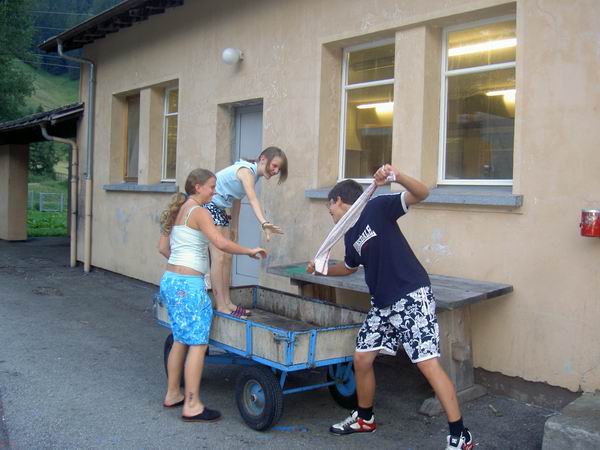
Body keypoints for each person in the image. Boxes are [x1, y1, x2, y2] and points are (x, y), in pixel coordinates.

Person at [307, 164, 474, 450]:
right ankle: (365, 418)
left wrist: (397, 176)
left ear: (338, 200)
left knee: (427, 363)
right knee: (361, 358)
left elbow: (421, 193)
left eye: (329, 207)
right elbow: (348, 267)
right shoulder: (349, 235)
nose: (330, 213)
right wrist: (321, 270)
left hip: (411, 296)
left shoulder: (377, 208)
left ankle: (461, 436)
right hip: (382, 304)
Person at [158, 168, 267, 422]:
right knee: (198, 344)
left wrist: (183, 265)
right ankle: (192, 405)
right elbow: (221, 243)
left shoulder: (177, 208)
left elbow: (162, 248)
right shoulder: (199, 212)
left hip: (170, 281)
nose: (215, 191)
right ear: (197, 187)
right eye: (211, 186)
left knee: (180, 340)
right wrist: (249, 251)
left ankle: (173, 393)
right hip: (188, 286)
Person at [204, 146, 288, 318]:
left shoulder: (252, 175)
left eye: (278, 169)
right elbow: (252, 199)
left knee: (228, 257)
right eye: (274, 166)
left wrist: (234, 227)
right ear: (263, 159)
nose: (275, 171)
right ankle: (221, 305)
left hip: (220, 209)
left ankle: (227, 302)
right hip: (210, 206)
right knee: (219, 258)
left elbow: (237, 198)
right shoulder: (246, 172)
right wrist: (264, 222)